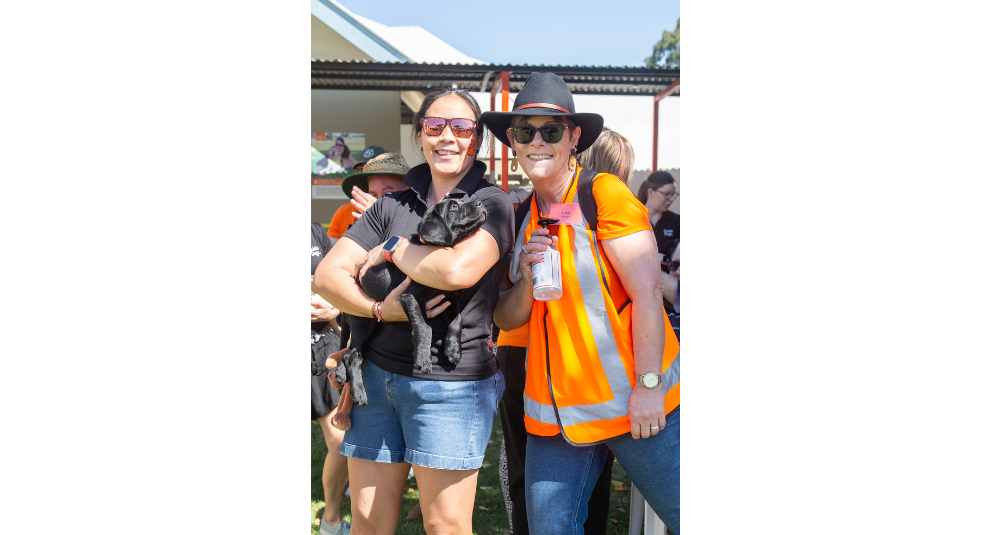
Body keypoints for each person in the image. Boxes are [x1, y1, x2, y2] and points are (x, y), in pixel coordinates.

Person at [483, 72, 681, 535]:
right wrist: (528, 280)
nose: (536, 142)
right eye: (524, 131)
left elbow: (649, 293)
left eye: (550, 131)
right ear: (512, 140)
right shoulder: (523, 212)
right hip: (557, 416)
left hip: (633, 404)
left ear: (573, 138)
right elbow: (505, 317)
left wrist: (650, 387)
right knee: (549, 527)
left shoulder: (603, 194)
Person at [313, 87, 514, 535]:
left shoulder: (490, 202)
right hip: (377, 384)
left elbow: (456, 270)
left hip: (450, 387)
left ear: (476, 139)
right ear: (420, 136)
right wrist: (380, 308)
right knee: (367, 522)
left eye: (461, 127)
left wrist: (392, 247)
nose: (448, 137)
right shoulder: (392, 204)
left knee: (443, 524)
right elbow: (328, 276)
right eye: (435, 126)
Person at [494, 124, 639, 535]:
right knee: (546, 468)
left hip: (563, 349)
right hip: (532, 349)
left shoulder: (592, 207)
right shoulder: (535, 209)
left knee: (538, 467)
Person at [311, 222, 351, 535]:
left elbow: (335, 280)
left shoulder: (315, 232)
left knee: (340, 440)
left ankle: (331, 522)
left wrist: (334, 308)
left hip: (321, 348)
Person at [326, 152, 411, 248]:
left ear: (407, 190)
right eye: (373, 194)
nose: (379, 201)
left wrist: (380, 220)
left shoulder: (422, 214)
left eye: (387, 193)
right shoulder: (349, 212)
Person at [636, 171, 680, 267]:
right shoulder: (633, 219)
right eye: (667, 194)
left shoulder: (677, 222)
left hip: (668, 280)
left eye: (673, 194)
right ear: (650, 192)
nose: (671, 199)